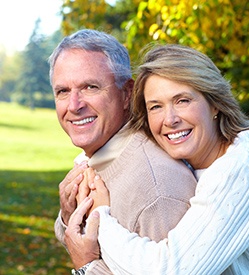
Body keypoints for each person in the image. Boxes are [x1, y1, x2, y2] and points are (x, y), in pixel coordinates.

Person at [65, 44, 249, 274]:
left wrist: (100, 219)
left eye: (182, 100)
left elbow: (173, 270)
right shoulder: (195, 160)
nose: (170, 119)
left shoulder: (241, 170)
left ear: (214, 103)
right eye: (156, 107)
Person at [49, 32, 197, 274]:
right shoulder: (101, 158)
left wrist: (87, 267)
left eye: (90, 87)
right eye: (63, 91)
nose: (74, 105)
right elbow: (85, 243)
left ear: (127, 93)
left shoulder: (158, 189)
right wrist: (68, 216)